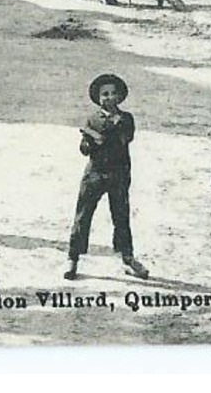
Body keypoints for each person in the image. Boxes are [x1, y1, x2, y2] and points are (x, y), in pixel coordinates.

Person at [65, 73, 149, 281]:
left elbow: (124, 139)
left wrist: (103, 132)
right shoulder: (92, 119)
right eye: (104, 94)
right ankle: (73, 257)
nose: (109, 98)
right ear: (98, 98)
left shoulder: (126, 119)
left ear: (120, 97)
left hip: (118, 174)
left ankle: (127, 258)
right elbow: (84, 150)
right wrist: (89, 141)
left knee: (121, 216)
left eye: (113, 94)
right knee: (83, 215)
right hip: (94, 174)